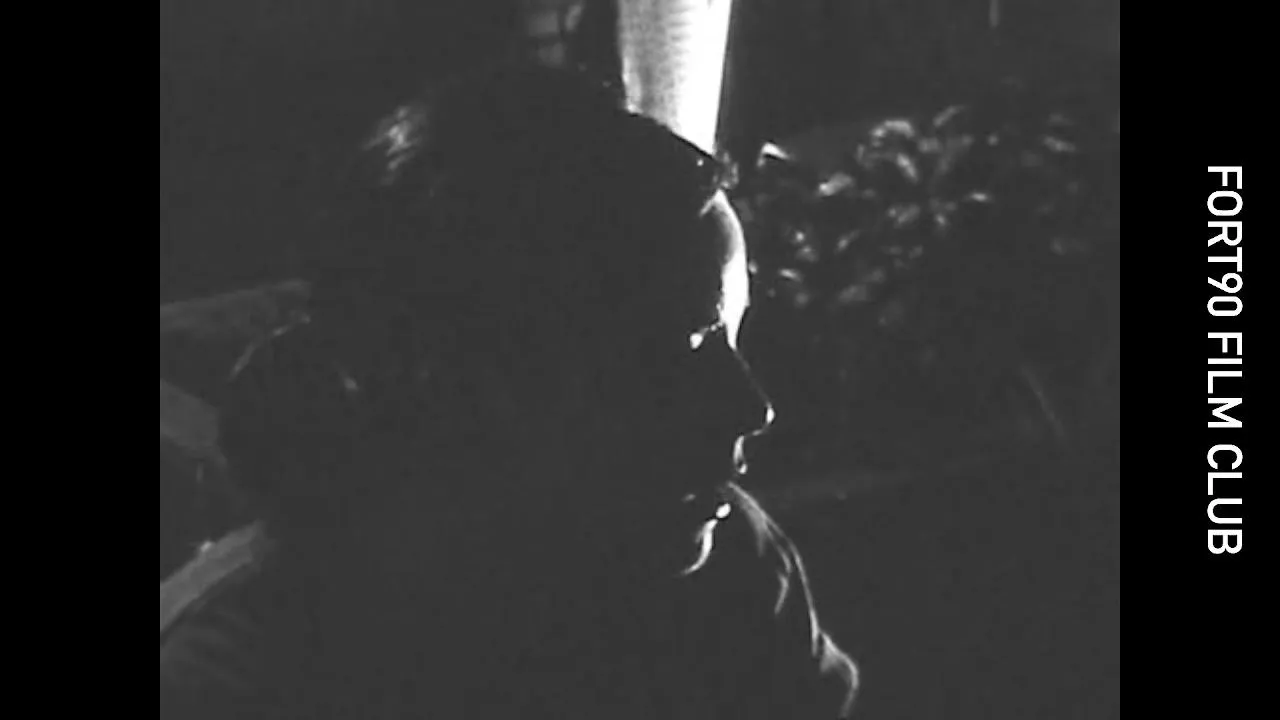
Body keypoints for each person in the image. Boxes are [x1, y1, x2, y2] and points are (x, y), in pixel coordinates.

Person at [159, 63, 858, 719]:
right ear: (470, 382)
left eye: (735, 337)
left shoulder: (733, 568)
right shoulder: (240, 677)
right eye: (677, 355)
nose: (752, 408)